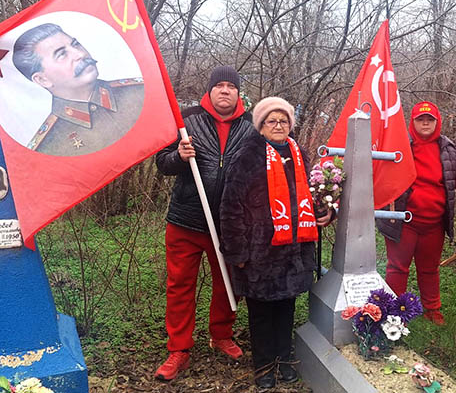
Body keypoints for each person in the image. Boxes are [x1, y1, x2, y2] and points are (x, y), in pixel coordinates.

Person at [219, 97, 332, 391]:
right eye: (272, 121)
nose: (279, 126)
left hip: (293, 250)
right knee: (261, 312)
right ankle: (264, 365)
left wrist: (323, 210)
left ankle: (284, 358)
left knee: (286, 307)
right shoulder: (247, 156)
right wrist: (237, 250)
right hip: (259, 251)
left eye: (284, 121)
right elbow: (230, 206)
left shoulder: (298, 153)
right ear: (261, 126)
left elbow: (309, 195)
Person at [154, 66, 255, 381]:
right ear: (210, 90)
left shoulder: (251, 126)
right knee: (179, 285)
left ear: (238, 92)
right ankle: (179, 348)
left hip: (228, 224)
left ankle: (221, 334)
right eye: (219, 85)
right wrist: (179, 156)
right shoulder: (186, 119)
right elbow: (161, 162)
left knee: (228, 284)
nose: (225, 90)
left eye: (230, 86)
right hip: (185, 220)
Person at [377, 101, 456, 326]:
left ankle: (432, 309)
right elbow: (379, 175)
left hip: (434, 223)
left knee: (429, 269)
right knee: (397, 267)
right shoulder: (399, 146)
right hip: (403, 221)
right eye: (420, 119)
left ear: (437, 122)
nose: (425, 123)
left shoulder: (449, 150)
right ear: (412, 121)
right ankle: (394, 312)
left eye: (430, 119)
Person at [12, 23, 143, 155]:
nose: (80, 54)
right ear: (42, 79)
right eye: (62, 54)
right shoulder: (47, 148)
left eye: (76, 44)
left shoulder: (140, 92)